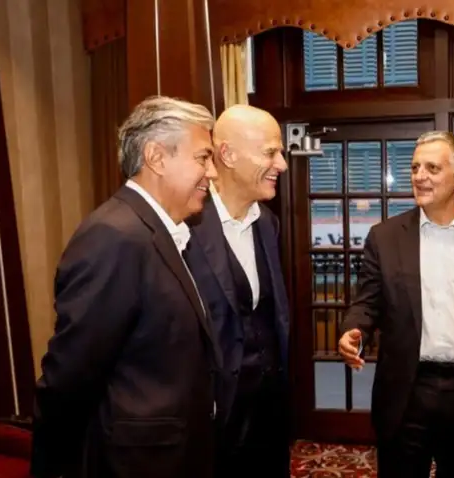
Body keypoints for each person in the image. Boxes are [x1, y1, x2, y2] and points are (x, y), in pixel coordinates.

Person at [31, 96, 220, 478]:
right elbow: (72, 372)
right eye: (203, 158)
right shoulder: (114, 236)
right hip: (135, 463)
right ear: (156, 157)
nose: (212, 173)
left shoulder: (158, 230)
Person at [337, 131, 454, 477]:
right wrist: (352, 330)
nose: (419, 176)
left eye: (432, 168)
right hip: (407, 390)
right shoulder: (385, 237)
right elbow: (367, 303)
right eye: (415, 167)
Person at [183, 104, 292, 477]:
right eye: (270, 152)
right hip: (215, 419)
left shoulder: (268, 223)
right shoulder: (186, 228)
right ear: (227, 155)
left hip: (269, 411)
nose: (282, 164)